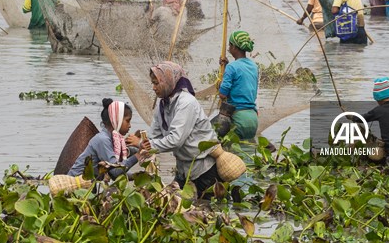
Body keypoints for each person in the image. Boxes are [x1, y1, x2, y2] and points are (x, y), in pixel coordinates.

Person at [139, 61, 219, 196]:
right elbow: (154, 135)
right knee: (174, 206)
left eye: (156, 83)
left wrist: (149, 145)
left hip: (203, 171)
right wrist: (141, 145)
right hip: (183, 169)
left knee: (205, 212)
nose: (153, 87)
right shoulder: (163, 105)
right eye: (152, 83)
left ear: (168, 82)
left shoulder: (186, 103)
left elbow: (176, 140)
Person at [68, 99, 150, 178]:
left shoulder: (114, 140)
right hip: (77, 184)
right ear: (116, 120)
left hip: (89, 185)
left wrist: (138, 176)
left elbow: (115, 172)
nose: (130, 125)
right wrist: (138, 155)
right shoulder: (103, 140)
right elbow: (115, 172)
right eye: (127, 121)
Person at [216, 31, 259, 141]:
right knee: (247, 153)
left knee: (228, 152)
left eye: (230, 45)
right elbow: (241, 80)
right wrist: (226, 66)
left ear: (234, 47)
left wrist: (220, 84)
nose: (229, 48)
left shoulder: (232, 67)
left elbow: (222, 94)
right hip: (253, 118)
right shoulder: (254, 66)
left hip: (238, 117)